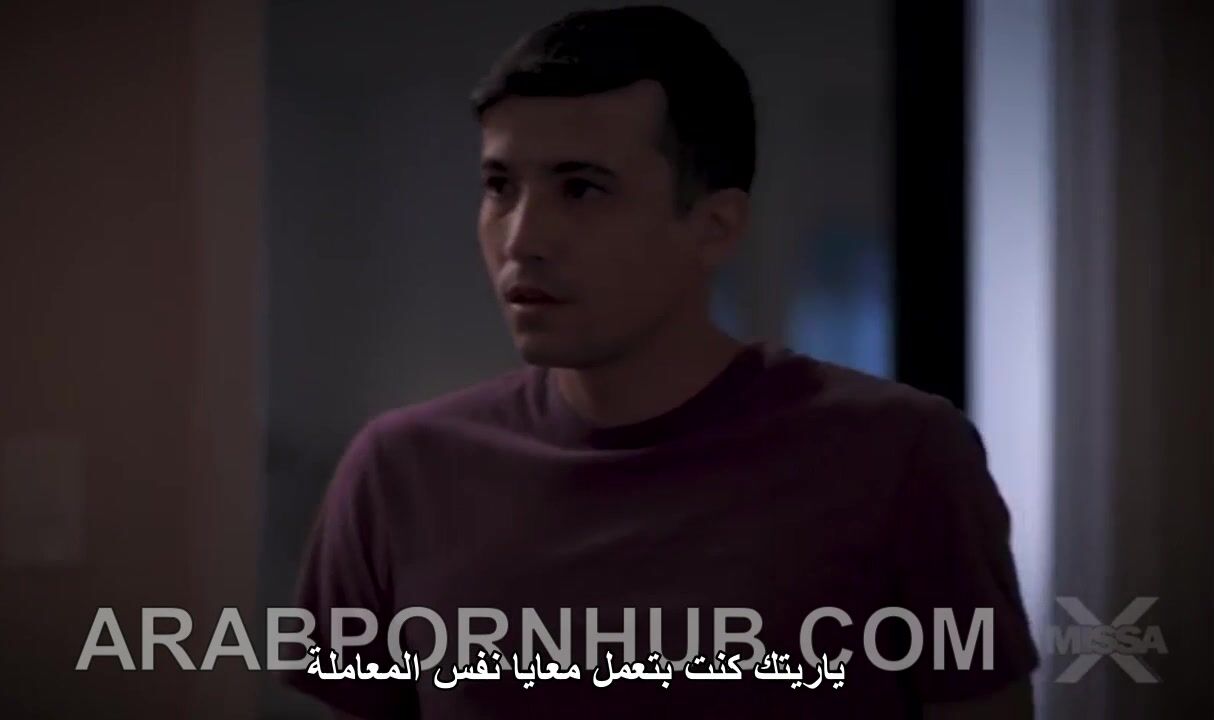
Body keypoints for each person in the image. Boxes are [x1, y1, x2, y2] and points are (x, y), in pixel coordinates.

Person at [283, 5, 1039, 718]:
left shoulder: (899, 457)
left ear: (714, 227)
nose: (522, 238)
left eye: (582, 189)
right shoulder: (400, 473)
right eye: (500, 186)